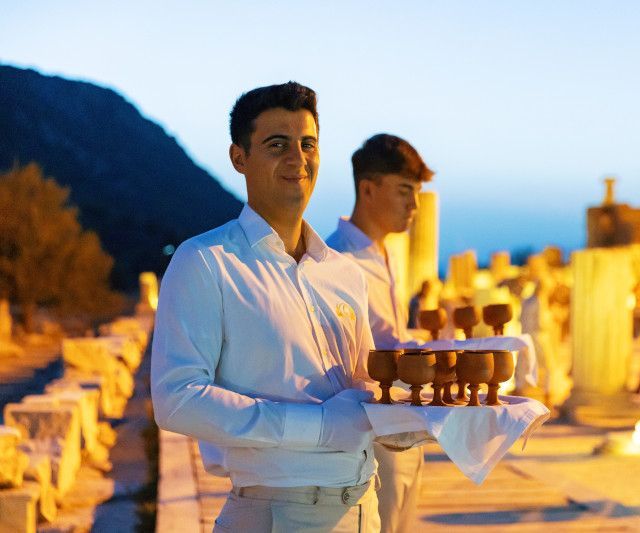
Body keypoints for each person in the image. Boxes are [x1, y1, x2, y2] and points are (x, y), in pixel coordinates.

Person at [151, 82, 381, 532]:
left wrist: (412, 415)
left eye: (307, 144)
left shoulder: (344, 273)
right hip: (273, 513)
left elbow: (367, 383)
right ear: (239, 158)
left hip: (364, 510)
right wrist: (316, 427)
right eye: (277, 145)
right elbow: (175, 399)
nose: (297, 158)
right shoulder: (206, 261)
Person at [327, 133, 433, 533]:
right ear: (367, 189)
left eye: (417, 193)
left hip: (403, 420)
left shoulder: (381, 253)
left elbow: (389, 333)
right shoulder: (339, 260)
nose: (414, 205)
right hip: (370, 429)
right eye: (405, 190)